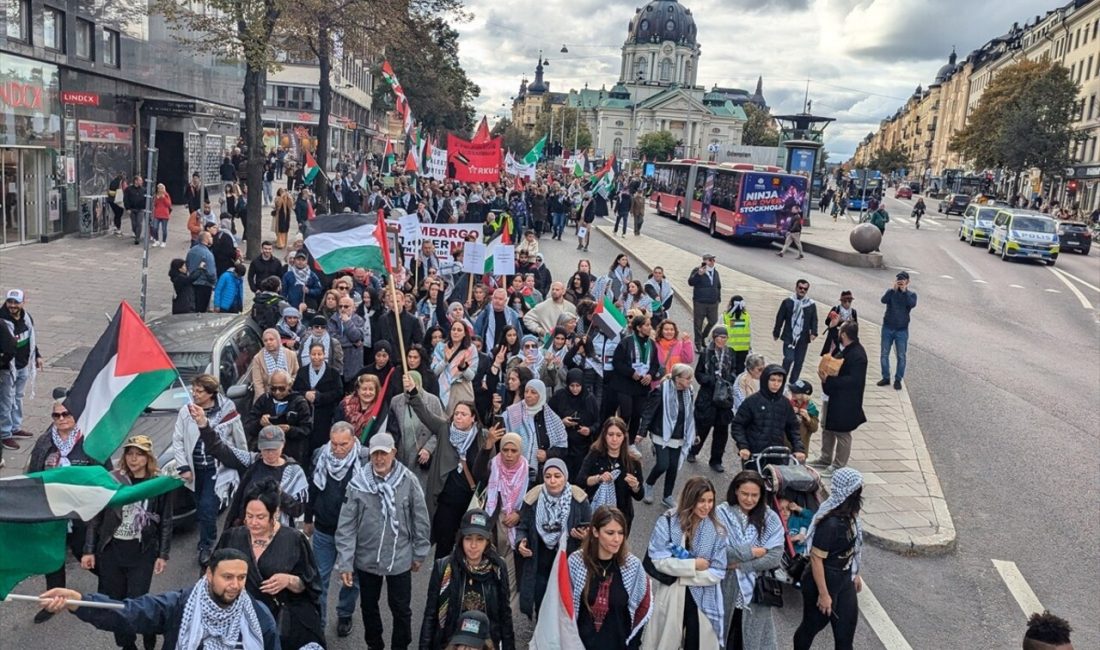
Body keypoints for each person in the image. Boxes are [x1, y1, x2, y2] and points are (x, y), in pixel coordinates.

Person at [37, 548, 280, 650]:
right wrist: (78, 602)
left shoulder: (258, 617)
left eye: (241, 577)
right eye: (227, 577)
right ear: (209, 574)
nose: (235, 585)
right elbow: (130, 612)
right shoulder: (180, 606)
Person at [336, 431, 432, 650]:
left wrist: (419, 552)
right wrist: (345, 561)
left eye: (383, 454)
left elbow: (420, 519)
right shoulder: (358, 483)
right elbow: (346, 525)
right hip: (367, 558)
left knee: (400, 608)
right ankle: (374, 644)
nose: (379, 459)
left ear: (394, 453)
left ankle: (400, 646)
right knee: (369, 606)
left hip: (399, 558)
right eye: (375, 454)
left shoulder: (408, 480)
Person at [81, 435, 173, 650]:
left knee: (138, 604)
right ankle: (127, 645)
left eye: (139, 454)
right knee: (115, 604)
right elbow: (97, 518)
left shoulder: (158, 484)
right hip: (112, 552)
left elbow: (165, 520)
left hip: (142, 553)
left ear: (148, 458)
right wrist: (89, 550)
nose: (133, 459)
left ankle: (149, 639)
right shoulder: (114, 481)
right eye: (130, 454)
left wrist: (163, 554)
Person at [27, 389, 109, 624]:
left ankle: (107, 592)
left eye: (66, 414)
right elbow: (34, 474)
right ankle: (54, 602)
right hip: (52, 512)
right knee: (53, 560)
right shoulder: (45, 442)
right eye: (56, 415)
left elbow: (104, 475)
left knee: (86, 552)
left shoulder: (90, 441)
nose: (61, 419)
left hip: (82, 512)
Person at [216, 480, 326, 650]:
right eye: (249, 516)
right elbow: (211, 576)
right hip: (237, 619)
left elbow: (310, 584)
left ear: (274, 513)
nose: (253, 522)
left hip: (280, 622)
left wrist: (289, 580)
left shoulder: (294, 540)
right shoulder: (232, 537)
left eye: (260, 517)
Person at [641, 476, 727, 650]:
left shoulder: (717, 529)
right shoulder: (668, 520)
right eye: (701, 500)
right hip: (673, 593)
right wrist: (693, 565)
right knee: (666, 641)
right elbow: (658, 560)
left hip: (704, 598)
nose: (706, 506)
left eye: (710, 501)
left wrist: (683, 576)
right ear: (690, 499)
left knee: (697, 642)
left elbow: (718, 571)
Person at [171, 374, 248, 566]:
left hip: (217, 470)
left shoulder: (227, 410)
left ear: (211, 393)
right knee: (200, 507)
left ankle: (208, 545)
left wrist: (244, 461)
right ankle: (208, 536)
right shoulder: (186, 411)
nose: (194, 394)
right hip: (196, 471)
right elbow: (178, 440)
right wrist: (183, 466)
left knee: (207, 508)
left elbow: (238, 437)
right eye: (193, 390)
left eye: (199, 391)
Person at [419, 509, 516, 650]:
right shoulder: (444, 567)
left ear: (488, 541)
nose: (473, 546)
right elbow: (430, 615)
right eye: (468, 538)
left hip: (485, 644)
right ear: (461, 539)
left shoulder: (498, 567)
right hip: (451, 643)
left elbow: (505, 616)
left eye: (480, 539)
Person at [305, 422, 368, 637]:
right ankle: (319, 624)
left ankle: (344, 614)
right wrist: (308, 518)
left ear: (353, 441)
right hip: (324, 529)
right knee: (319, 579)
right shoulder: (320, 456)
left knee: (351, 580)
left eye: (344, 444)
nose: (338, 449)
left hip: (353, 534)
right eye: (334, 444)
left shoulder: (364, 460)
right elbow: (313, 487)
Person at [792, 468, 865, 650]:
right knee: (812, 626)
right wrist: (824, 595)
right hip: (824, 580)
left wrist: (855, 573)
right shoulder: (830, 524)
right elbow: (816, 559)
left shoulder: (851, 516)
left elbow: (854, 546)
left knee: (845, 636)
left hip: (844, 578)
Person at [515, 458, 592, 619]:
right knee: (541, 602)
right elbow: (522, 527)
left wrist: (585, 537)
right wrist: (521, 542)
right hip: (539, 561)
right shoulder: (533, 498)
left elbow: (591, 530)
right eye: (548, 476)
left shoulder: (579, 499)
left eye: (557, 476)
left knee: (564, 603)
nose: (553, 481)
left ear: (565, 477)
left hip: (568, 561)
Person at [567, 506, 652, 650]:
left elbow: (641, 609)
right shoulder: (576, 562)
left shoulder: (632, 566)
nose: (617, 539)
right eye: (610, 533)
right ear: (595, 532)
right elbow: (564, 608)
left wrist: (632, 644)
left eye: (621, 533)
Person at [717, 470, 785, 650]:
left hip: (756, 594)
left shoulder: (770, 518)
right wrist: (753, 551)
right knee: (724, 636)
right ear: (736, 491)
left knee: (752, 639)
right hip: (726, 589)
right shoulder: (721, 514)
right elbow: (720, 553)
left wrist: (740, 565)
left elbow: (774, 556)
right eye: (745, 494)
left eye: (754, 495)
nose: (749, 499)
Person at [638, 363, 697, 508]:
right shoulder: (660, 391)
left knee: (673, 466)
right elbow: (648, 413)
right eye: (687, 378)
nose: (690, 381)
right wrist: (641, 432)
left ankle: (667, 496)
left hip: (679, 436)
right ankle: (649, 484)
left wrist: (695, 433)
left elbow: (690, 415)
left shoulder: (689, 391)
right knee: (662, 464)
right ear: (677, 379)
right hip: (661, 433)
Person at [813, 322, 867, 475]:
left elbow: (854, 380)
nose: (838, 334)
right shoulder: (844, 348)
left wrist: (828, 380)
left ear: (843, 334)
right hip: (833, 396)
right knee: (827, 428)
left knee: (842, 433)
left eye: (839, 331)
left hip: (847, 401)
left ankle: (839, 464)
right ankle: (825, 458)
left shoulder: (858, 355)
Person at [482, 432, 528, 610]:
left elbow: (532, 502)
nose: (509, 455)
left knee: (509, 579)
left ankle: (505, 620)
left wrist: (519, 514)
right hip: (493, 527)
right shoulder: (493, 465)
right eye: (505, 450)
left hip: (513, 533)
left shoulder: (528, 472)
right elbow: (478, 472)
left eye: (513, 450)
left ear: (520, 452)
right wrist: (487, 447)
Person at [576, 417, 644, 531]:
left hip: (622, 517)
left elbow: (640, 495)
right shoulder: (594, 455)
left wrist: (635, 486)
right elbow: (580, 480)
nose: (614, 439)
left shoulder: (633, 462)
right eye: (610, 434)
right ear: (604, 435)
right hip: (596, 514)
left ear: (624, 437)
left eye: (618, 435)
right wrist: (598, 478)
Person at [731, 364, 804, 463]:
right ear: (765, 380)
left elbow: (793, 428)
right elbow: (738, 425)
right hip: (754, 455)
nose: (776, 384)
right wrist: (743, 446)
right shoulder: (752, 401)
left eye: (779, 381)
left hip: (777, 454)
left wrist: (798, 448)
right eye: (772, 380)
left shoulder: (785, 403)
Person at [689, 326, 736, 472]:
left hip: (723, 397)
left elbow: (735, 370)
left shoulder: (730, 353)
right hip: (708, 396)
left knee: (721, 431)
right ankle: (693, 451)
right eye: (719, 337)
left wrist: (728, 380)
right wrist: (709, 380)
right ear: (714, 338)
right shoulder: (706, 353)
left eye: (724, 337)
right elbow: (698, 374)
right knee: (702, 426)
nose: (721, 340)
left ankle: (716, 460)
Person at [502, 378, 567, 483]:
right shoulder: (513, 413)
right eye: (526, 391)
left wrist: (547, 454)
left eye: (533, 392)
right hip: (512, 471)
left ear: (541, 395)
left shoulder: (551, 417)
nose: (528, 395)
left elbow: (562, 447)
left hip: (539, 476)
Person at [606, 315, 660, 442]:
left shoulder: (651, 343)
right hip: (625, 384)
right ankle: (618, 438)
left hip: (642, 385)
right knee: (626, 413)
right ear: (638, 327)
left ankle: (630, 442)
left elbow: (655, 363)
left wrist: (650, 375)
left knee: (637, 414)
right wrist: (631, 373)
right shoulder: (626, 342)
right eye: (647, 325)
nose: (650, 328)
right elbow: (617, 362)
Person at [0, 289, 41, 452]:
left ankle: (15, 427)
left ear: (24, 302)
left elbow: (31, 337)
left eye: (16, 302)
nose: (12, 305)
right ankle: (4, 434)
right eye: (10, 302)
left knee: (18, 397)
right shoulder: (2, 321)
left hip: (23, 365)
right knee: (5, 401)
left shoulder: (26, 318)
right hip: (7, 369)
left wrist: (37, 355)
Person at [245, 368, 312, 457]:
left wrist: (289, 429)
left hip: (291, 453)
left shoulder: (299, 403)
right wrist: (260, 423)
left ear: (289, 385)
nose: (277, 392)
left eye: (281, 388)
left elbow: (307, 430)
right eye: (273, 388)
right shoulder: (264, 400)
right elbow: (248, 426)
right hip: (266, 452)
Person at [293, 342, 345, 457]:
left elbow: (339, 392)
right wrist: (305, 394)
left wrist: (320, 397)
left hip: (325, 415)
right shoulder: (302, 372)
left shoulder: (333, 373)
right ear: (309, 355)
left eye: (319, 354)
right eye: (314, 354)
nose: (316, 357)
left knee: (322, 444)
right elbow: (294, 391)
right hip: (305, 415)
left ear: (324, 355)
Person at [549, 368, 600, 479]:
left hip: (582, 446)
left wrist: (590, 430)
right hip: (562, 445)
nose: (575, 389)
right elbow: (549, 417)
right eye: (572, 386)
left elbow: (598, 422)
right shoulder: (560, 396)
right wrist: (561, 422)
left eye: (578, 386)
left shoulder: (589, 399)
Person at [772, 279, 818, 384]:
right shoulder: (788, 301)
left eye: (805, 289)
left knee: (799, 362)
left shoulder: (810, 304)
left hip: (803, 338)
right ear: (796, 288)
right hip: (789, 336)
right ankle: (781, 379)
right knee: (788, 358)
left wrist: (814, 332)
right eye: (800, 288)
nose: (802, 290)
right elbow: (780, 317)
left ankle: (793, 383)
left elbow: (814, 319)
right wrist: (776, 332)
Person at [878, 271, 917, 390]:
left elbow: (911, 304)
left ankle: (898, 379)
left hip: (902, 330)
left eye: (903, 280)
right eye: (898, 280)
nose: (900, 282)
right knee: (884, 353)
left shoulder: (911, 295)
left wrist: (904, 291)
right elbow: (883, 300)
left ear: (908, 282)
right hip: (888, 327)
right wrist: (892, 290)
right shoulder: (891, 292)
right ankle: (886, 377)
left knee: (901, 356)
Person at [433, 319, 479, 414]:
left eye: (459, 330)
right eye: (453, 329)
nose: (455, 332)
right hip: (443, 388)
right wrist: (445, 361)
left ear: (464, 333)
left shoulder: (471, 349)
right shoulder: (441, 347)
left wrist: (463, 367)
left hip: (462, 389)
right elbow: (435, 371)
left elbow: (471, 377)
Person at [688, 253, 721, 351]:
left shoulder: (715, 272)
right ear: (704, 261)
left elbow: (718, 286)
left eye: (713, 260)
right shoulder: (697, 270)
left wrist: (718, 299)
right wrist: (699, 274)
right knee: (698, 323)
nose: (712, 262)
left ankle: (703, 337)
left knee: (713, 321)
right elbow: (691, 282)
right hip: (700, 302)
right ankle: (698, 344)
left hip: (713, 303)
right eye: (710, 260)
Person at [331, 295, 367, 384]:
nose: (343, 309)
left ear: (353, 308)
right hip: (337, 362)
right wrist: (353, 343)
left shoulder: (359, 320)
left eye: (346, 306)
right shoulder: (333, 320)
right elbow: (333, 340)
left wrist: (347, 322)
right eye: (340, 306)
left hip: (353, 364)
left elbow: (357, 336)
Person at [185, 232, 217, 312]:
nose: (212, 239)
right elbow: (211, 273)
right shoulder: (208, 254)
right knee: (201, 310)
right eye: (210, 237)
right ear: (205, 239)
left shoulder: (192, 250)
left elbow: (187, 264)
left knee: (194, 308)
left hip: (192, 282)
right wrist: (214, 281)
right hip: (204, 285)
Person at [787, 379, 820, 456]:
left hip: (801, 448)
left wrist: (808, 418)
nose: (792, 393)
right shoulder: (788, 403)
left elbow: (814, 428)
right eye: (792, 390)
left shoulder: (811, 408)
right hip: (785, 445)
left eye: (796, 392)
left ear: (804, 395)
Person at [821, 290, 857, 356]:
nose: (847, 303)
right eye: (845, 301)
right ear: (841, 301)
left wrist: (851, 323)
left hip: (846, 338)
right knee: (831, 354)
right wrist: (836, 320)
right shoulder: (836, 309)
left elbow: (855, 327)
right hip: (834, 336)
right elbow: (827, 322)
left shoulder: (853, 312)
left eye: (849, 301)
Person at [722, 295, 752, 374]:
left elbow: (720, 329)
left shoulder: (726, 316)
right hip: (743, 347)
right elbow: (750, 331)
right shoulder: (747, 316)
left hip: (729, 347)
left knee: (728, 368)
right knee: (740, 368)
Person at [123, 175, 146, 245]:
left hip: (140, 209)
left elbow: (145, 199)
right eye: (140, 180)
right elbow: (126, 199)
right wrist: (127, 208)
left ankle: (137, 238)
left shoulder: (143, 190)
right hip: (132, 209)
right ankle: (136, 233)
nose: (141, 182)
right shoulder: (128, 189)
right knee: (134, 224)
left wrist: (145, 207)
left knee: (139, 223)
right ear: (136, 181)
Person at [151, 183, 172, 247]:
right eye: (159, 188)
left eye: (161, 188)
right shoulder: (156, 195)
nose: (160, 190)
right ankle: (156, 240)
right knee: (155, 228)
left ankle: (164, 241)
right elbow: (154, 204)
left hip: (164, 215)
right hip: (157, 214)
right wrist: (157, 199)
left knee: (164, 229)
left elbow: (169, 205)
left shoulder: (166, 195)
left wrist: (164, 198)